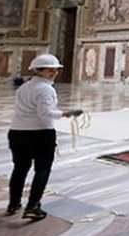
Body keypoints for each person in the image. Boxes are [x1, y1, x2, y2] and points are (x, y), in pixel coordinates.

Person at [7, 54, 83, 221]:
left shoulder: (24, 87)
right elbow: (45, 114)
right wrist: (67, 113)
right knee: (42, 169)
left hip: (17, 132)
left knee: (20, 168)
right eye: (50, 70)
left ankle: (13, 204)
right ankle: (33, 206)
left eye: (56, 70)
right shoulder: (45, 89)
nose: (54, 73)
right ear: (39, 71)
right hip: (39, 133)